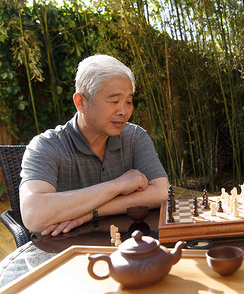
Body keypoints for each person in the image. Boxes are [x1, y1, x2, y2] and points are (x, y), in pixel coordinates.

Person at [20, 54, 169, 237]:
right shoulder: (46, 146)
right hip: (65, 253)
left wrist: (90, 213)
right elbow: (33, 214)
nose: (124, 111)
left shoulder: (134, 136)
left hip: (126, 249)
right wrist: (117, 185)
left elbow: (162, 192)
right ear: (80, 102)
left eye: (129, 102)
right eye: (114, 101)